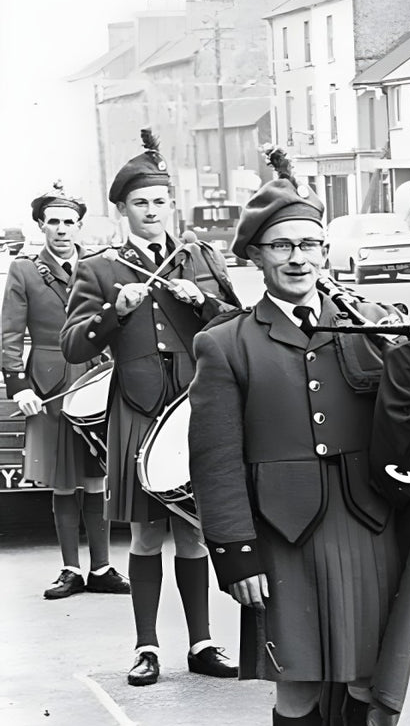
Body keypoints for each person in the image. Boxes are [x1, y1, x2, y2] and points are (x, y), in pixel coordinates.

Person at [190, 160, 410, 726]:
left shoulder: (374, 323)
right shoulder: (224, 344)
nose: (298, 258)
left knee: (363, 674)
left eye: (309, 244)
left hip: (364, 521)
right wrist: (236, 555)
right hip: (279, 533)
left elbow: (409, 418)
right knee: (296, 676)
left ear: (326, 252)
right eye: (283, 245)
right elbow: (216, 463)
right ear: (256, 257)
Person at [62, 132, 240, 687]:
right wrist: (113, 313)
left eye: (160, 202)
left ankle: (204, 643)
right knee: (145, 534)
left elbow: (239, 325)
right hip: (138, 406)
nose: (151, 212)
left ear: (172, 206)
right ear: (121, 210)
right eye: (140, 203)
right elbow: (73, 345)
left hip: (195, 404)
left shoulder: (200, 259)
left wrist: (203, 301)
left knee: (193, 530)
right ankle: (147, 646)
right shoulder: (99, 269)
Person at [4, 186, 126, 599]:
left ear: (78, 226)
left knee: (96, 475)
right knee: (61, 479)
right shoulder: (24, 271)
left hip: (94, 375)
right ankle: (71, 568)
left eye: (68, 222)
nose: (60, 229)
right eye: (52, 221)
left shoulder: (96, 267)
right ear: (41, 225)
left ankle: (103, 567)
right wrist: (18, 385)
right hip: (50, 380)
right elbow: (9, 335)